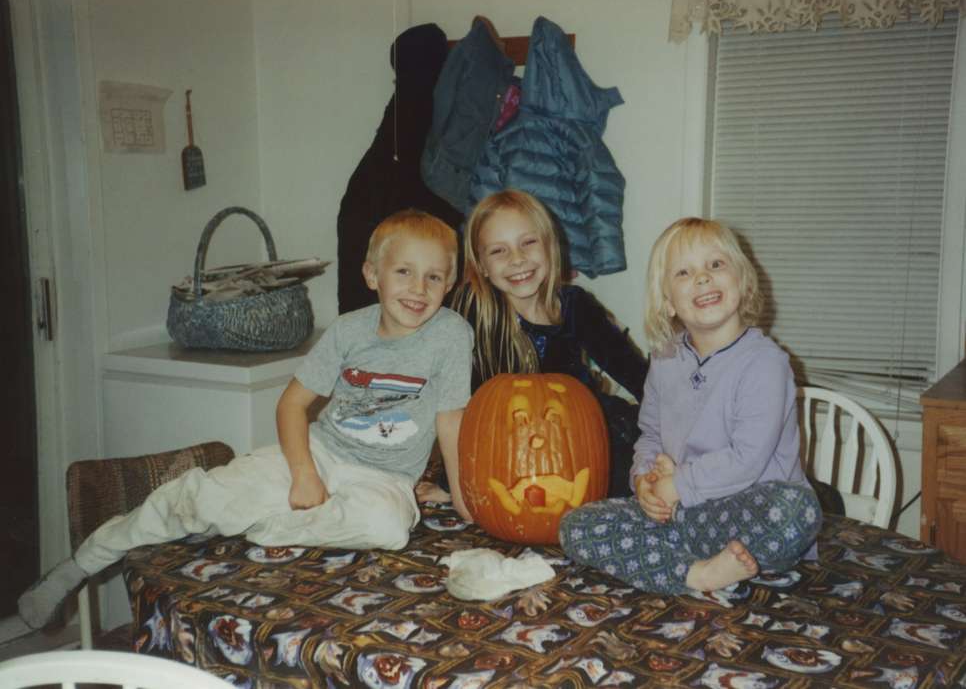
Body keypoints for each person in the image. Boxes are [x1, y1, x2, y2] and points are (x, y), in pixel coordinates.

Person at [19, 210, 474, 630]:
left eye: (433, 276)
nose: (418, 288)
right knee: (203, 496)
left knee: (390, 529)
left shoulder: (452, 335)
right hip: (321, 451)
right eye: (404, 272)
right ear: (372, 275)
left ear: (449, 283)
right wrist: (302, 474)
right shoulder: (348, 331)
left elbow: (451, 419)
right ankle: (84, 561)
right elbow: (291, 405)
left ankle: (264, 526)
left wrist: (460, 494)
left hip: (387, 476)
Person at [558, 216, 821, 594]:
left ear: (743, 282)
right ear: (668, 302)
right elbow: (649, 434)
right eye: (684, 272)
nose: (702, 278)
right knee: (575, 525)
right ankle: (696, 574)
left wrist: (677, 484)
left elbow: (747, 458)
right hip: (681, 511)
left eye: (716, 265)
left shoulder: (765, 363)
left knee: (799, 510)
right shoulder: (665, 359)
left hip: (747, 513)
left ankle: (670, 557)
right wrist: (645, 482)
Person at [418, 189, 647, 502]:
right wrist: (452, 481)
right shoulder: (474, 313)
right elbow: (461, 407)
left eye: (528, 242)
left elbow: (635, 374)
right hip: (507, 443)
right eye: (499, 251)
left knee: (636, 469)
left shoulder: (576, 305)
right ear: (482, 265)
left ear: (550, 246)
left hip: (579, 433)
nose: (517, 259)